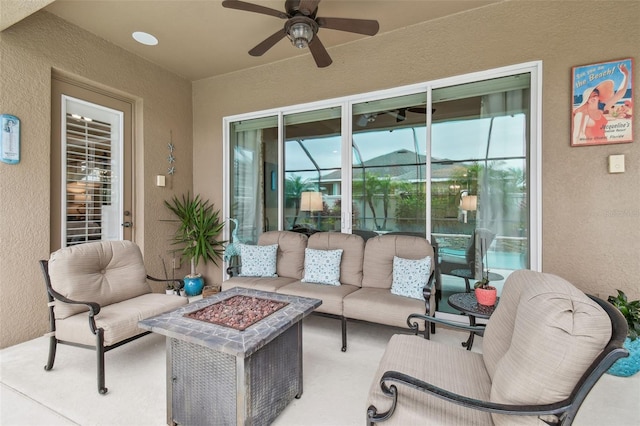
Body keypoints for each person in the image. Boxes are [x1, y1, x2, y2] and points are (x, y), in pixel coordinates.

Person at [572, 63, 630, 145]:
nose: (592, 98)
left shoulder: (601, 108)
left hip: (604, 145)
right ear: (586, 100)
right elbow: (576, 137)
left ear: (599, 97)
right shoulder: (581, 114)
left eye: (595, 95)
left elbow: (619, 94)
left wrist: (626, 75)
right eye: (589, 97)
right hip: (590, 149)